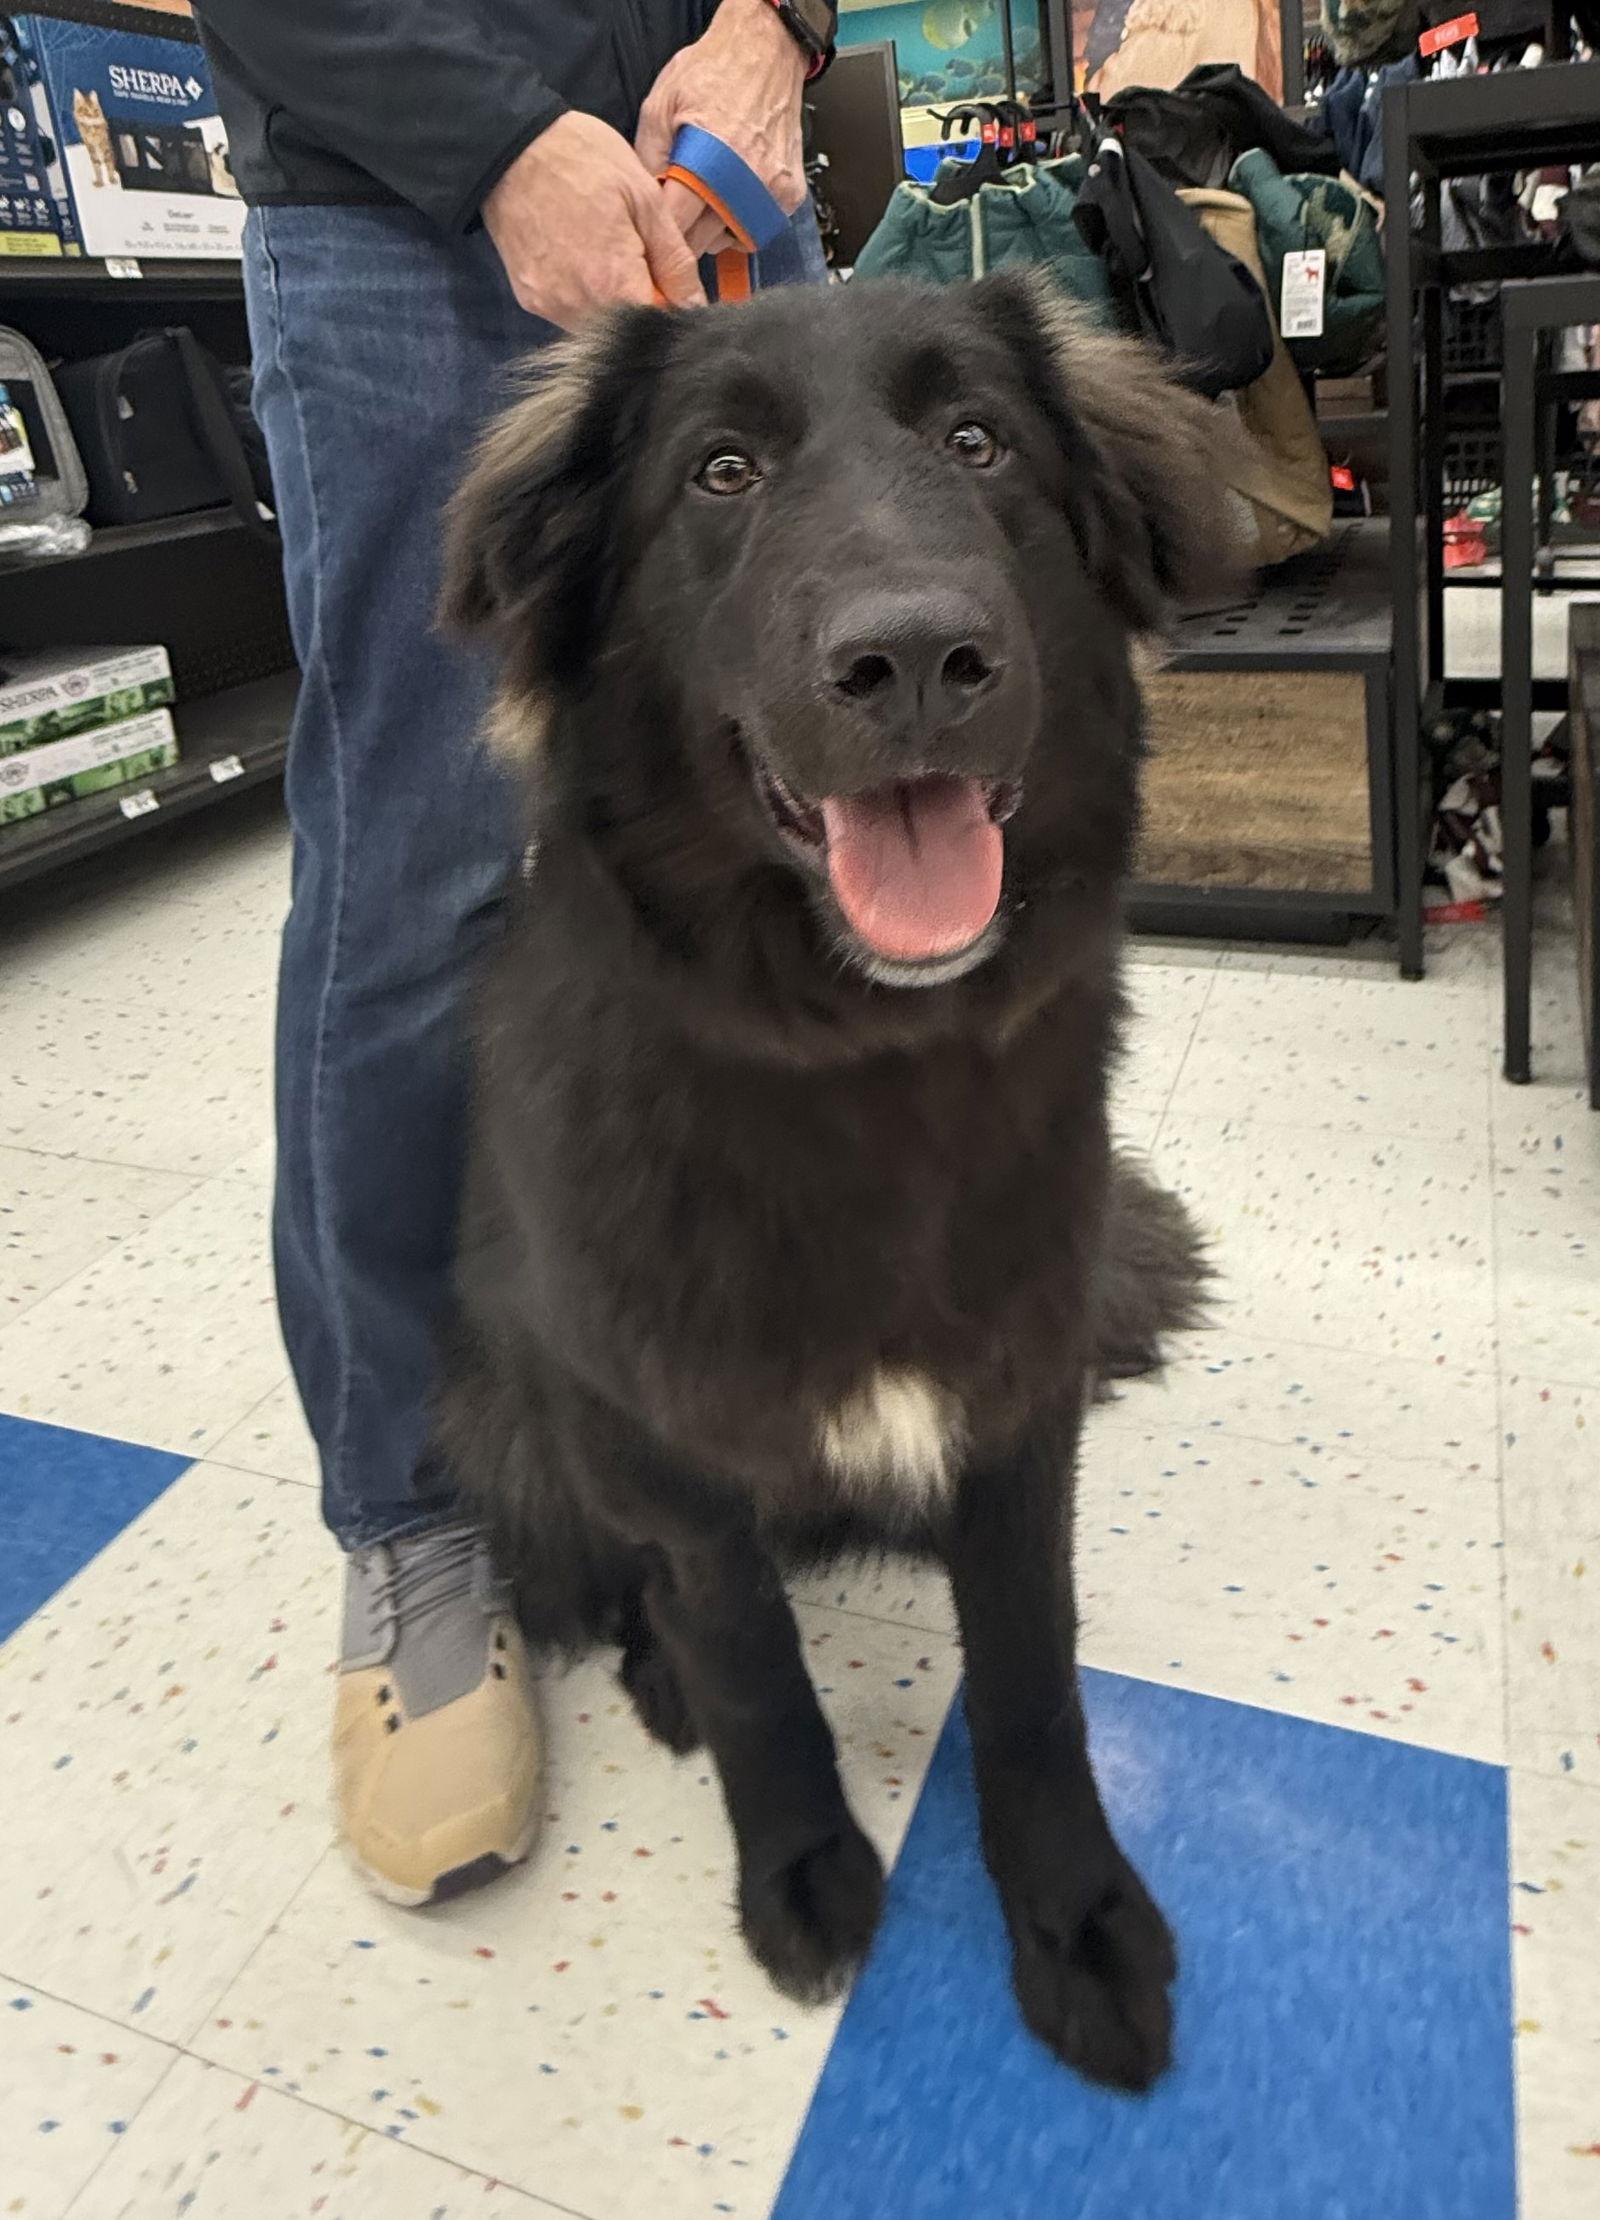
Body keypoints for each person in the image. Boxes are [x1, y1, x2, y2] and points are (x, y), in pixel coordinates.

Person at [188, 0, 838, 1906]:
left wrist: (776, 23)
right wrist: (491, 138)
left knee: (770, 841)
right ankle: (414, 1522)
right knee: (429, 878)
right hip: (404, 212)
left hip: (717, 185)